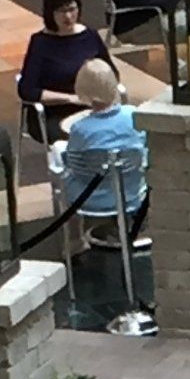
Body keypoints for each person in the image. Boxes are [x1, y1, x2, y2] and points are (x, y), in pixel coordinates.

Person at [63, 58, 149, 245]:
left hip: (90, 199)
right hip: (132, 193)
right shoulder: (133, 115)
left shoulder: (80, 129)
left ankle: (74, 241)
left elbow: (74, 164)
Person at [18, 0, 114, 144]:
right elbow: (27, 90)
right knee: (84, 137)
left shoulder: (90, 35)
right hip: (54, 114)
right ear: (50, 12)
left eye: (72, 9)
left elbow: (111, 73)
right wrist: (70, 99)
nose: (68, 16)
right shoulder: (40, 43)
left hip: (90, 108)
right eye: (62, 11)